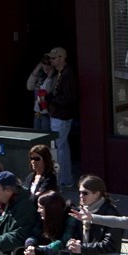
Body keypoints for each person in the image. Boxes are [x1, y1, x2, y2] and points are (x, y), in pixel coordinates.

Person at [47, 47, 77, 187]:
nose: (51, 61)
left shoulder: (67, 74)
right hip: (57, 114)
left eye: (54, 58)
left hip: (62, 116)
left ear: (61, 58)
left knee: (61, 147)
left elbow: (69, 97)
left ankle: (65, 179)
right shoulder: (58, 73)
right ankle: (64, 178)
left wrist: (52, 99)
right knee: (61, 146)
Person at [26, 54, 55, 131]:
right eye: (44, 63)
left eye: (48, 64)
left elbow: (48, 91)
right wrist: (38, 68)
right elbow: (29, 86)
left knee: (45, 138)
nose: (46, 66)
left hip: (47, 114)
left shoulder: (54, 77)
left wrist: (49, 76)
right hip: (37, 112)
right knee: (36, 137)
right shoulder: (40, 75)